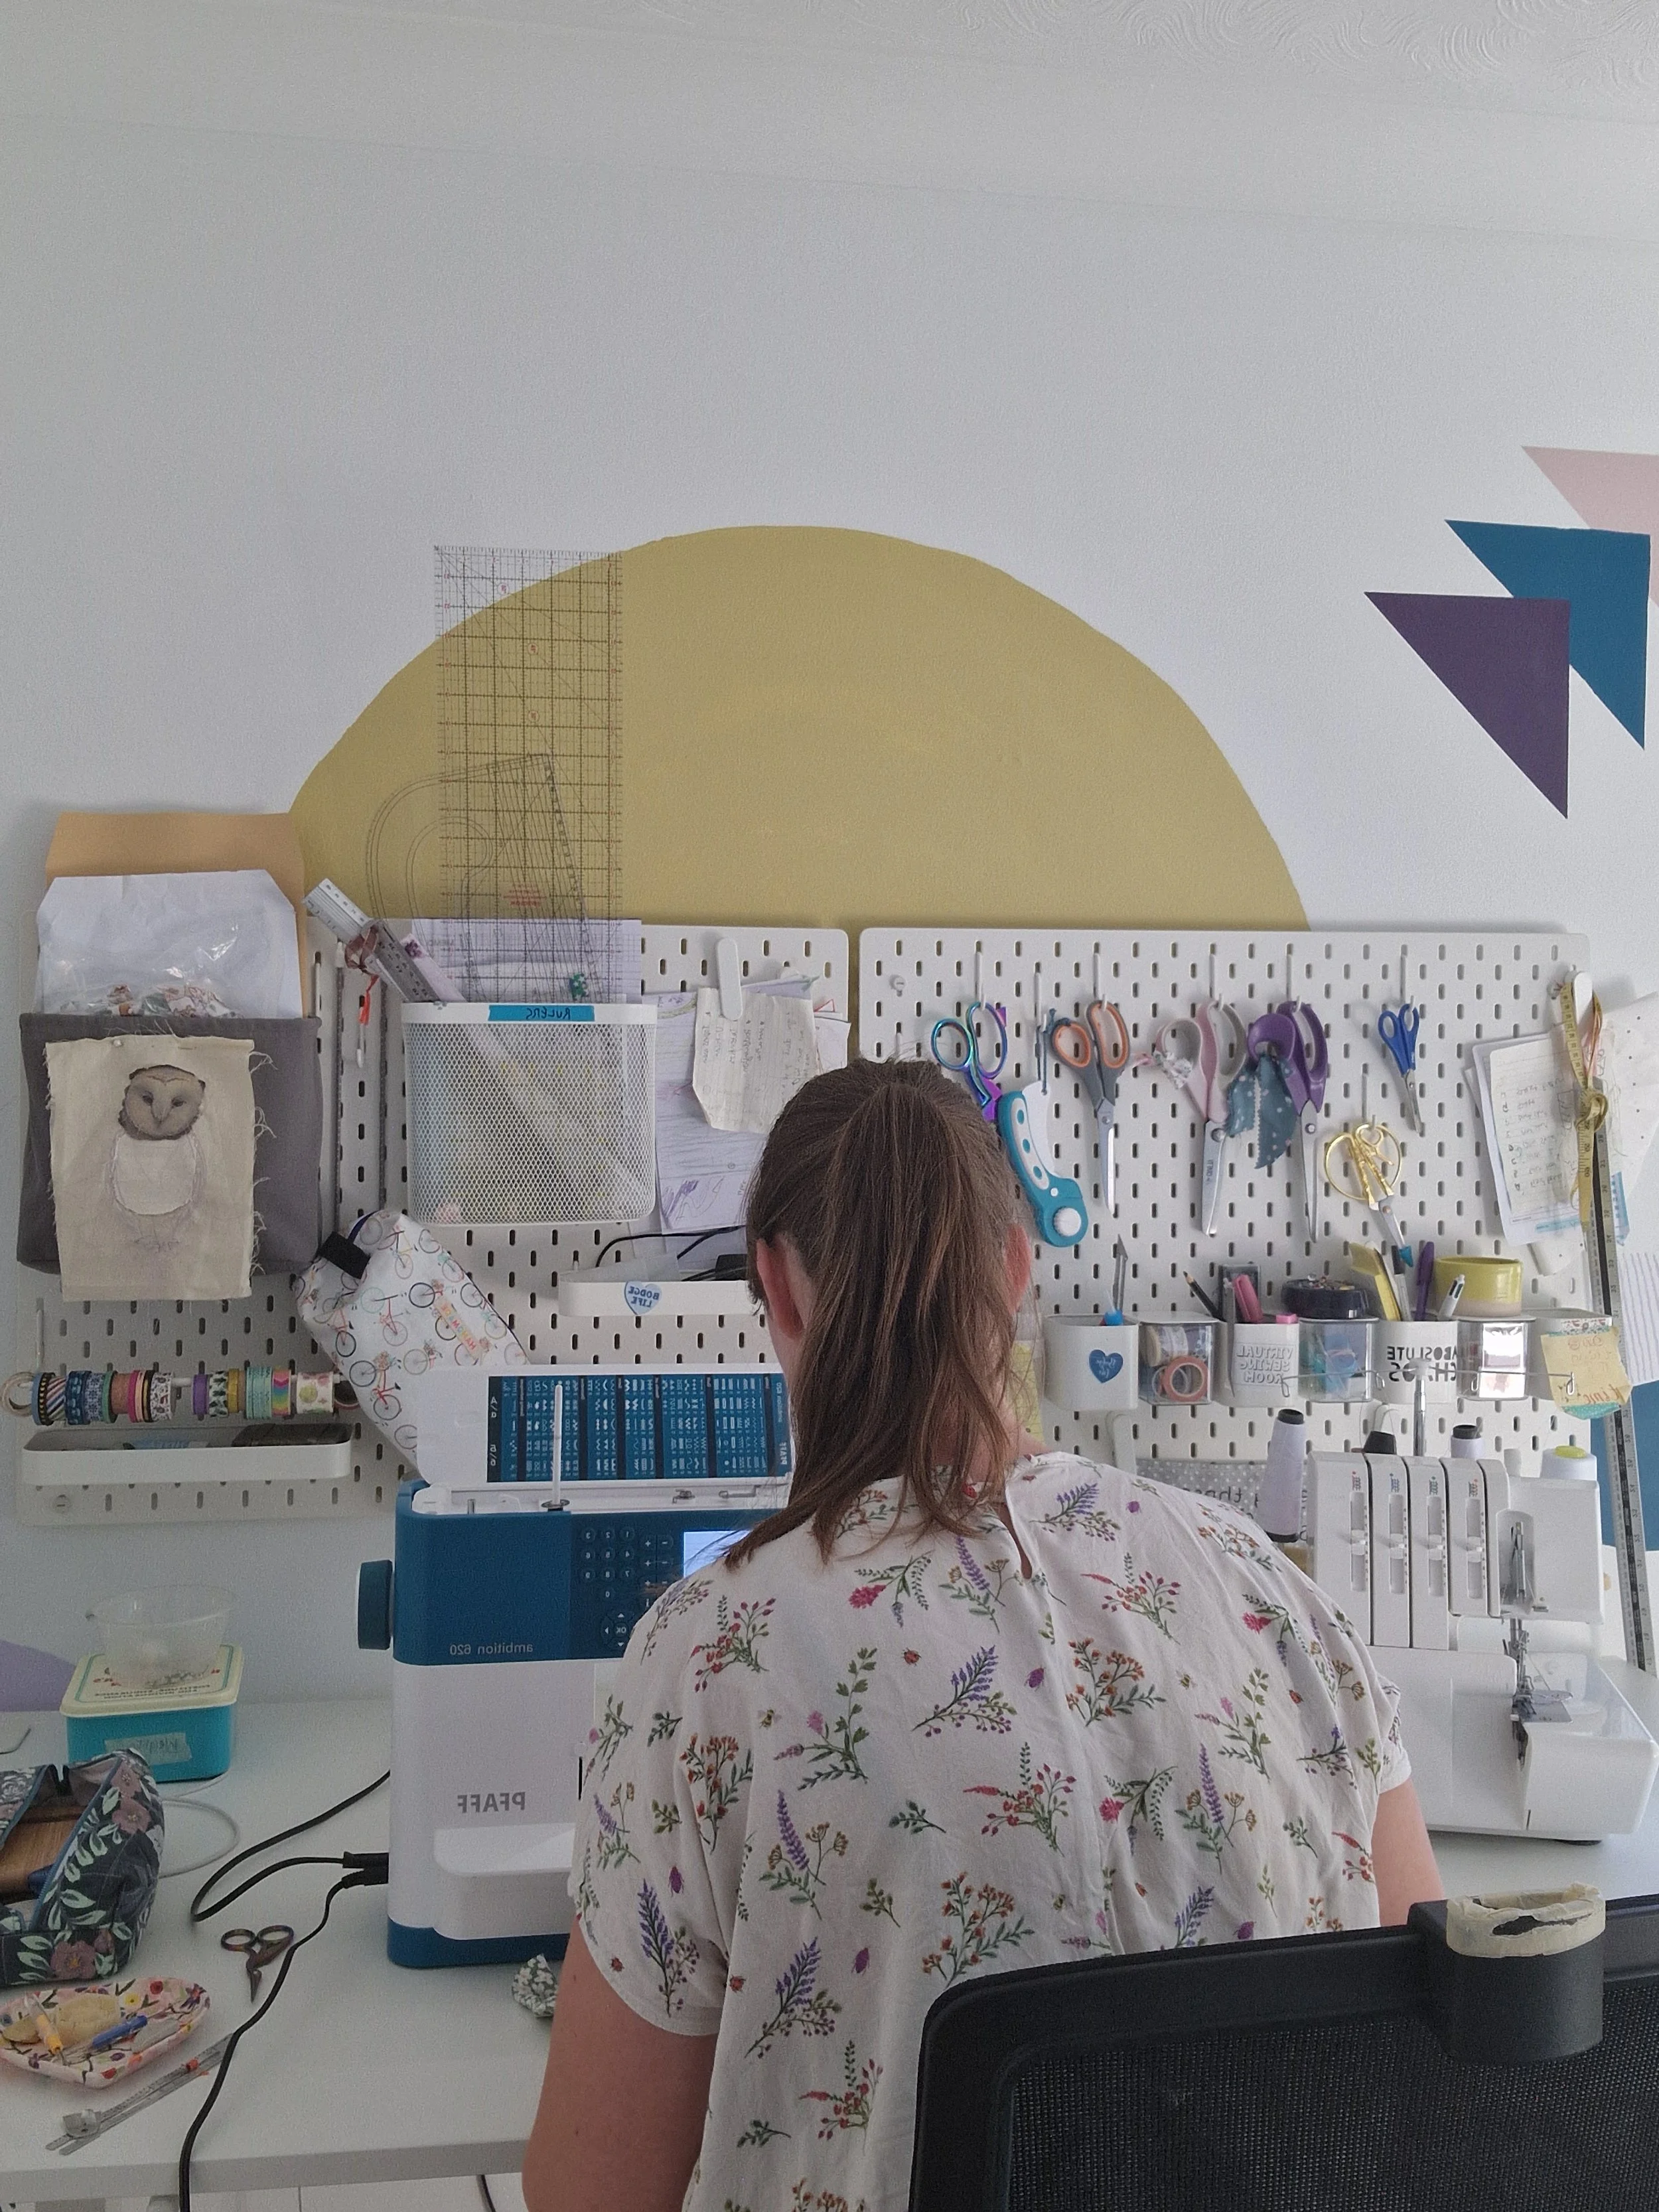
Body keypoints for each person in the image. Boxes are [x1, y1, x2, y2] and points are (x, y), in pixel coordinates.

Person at [522, 1058, 1442, 2212]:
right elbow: (1429, 2058)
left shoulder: (704, 1659)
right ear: (1016, 1269)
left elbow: (587, 2195)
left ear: (778, 1289)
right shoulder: (1270, 1587)